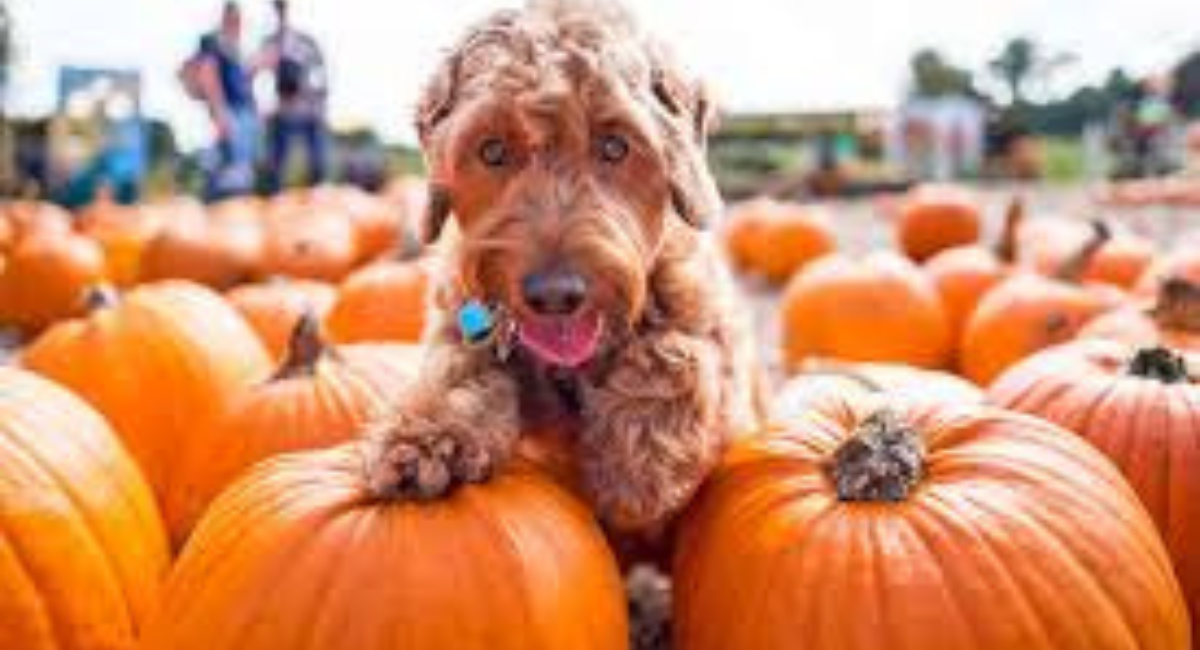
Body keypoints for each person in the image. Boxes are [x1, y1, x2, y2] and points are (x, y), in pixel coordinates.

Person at [181, 1, 258, 200]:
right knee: (227, 169)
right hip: (230, 113)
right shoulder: (214, 42)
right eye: (235, 19)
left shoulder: (235, 47)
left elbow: (242, 80)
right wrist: (219, 111)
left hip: (242, 113)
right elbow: (209, 74)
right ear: (227, 18)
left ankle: (231, 209)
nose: (238, 24)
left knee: (238, 169)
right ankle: (218, 210)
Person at [258, 0, 330, 192]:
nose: (280, 9)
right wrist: (266, 106)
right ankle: (275, 198)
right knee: (275, 165)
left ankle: (318, 195)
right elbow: (258, 75)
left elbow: (321, 73)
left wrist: (316, 98)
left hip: (308, 108)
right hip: (282, 110)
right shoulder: (268, 42)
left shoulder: (305, 41)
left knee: (318, 164)